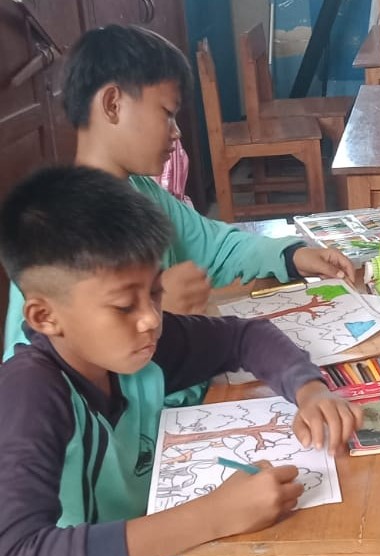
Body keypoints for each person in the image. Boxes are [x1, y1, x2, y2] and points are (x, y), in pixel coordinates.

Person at [0, 165, 363, 556]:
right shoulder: (29, 393)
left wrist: (310, 390)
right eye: (124, 306)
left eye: (155, 293)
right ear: (45, 316)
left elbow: (243, 337)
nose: (151, 319)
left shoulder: (131, 347)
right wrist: (212, 516)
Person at [3, 24, 355, 361]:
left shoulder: (145, 194)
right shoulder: (52, 226)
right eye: (167, 114)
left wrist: (292, 256)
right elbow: (31, 368)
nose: (176, 132)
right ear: (113, 104)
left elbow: (218, 246)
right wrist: (151, 310)